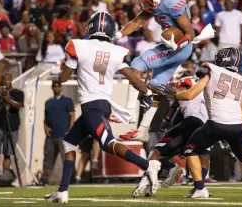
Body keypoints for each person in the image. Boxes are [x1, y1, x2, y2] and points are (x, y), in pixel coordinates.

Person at [44, 11, 160, 204]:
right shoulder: (116, 51)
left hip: (92, 107)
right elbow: (136, 82)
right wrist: (149, 91)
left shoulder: (79, 46)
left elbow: (63, 79)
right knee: (69, 142)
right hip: (102, 105)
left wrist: (65, 65)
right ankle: (63, 191)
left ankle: (148, 165)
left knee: (107, 144)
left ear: (91, 27)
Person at [159, 47, 242, 198]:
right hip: (236, 125)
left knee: (190, 150)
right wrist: (240, 133)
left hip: (216, 123)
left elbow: (190, 94)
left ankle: (199, 189)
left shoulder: (211, 70)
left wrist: (171, 93)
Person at [116, 0, 213, 142]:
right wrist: (117, 34)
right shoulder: (155, 2)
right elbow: (136, 21)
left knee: (137, 63)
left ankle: (129, 113)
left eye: (147, 0)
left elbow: (190, 33)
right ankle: (143, 130)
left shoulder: (172, 0)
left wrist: (177, 45)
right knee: (155, 86)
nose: (145, 4)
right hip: (174, 47)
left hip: (180, 46)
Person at [132, 76, 210, 197]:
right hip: (200, 127)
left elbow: (181, 95)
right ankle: (199, 187)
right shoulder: (203, 93)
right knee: (203, 156)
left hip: (193, 124)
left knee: (156, 151)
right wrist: (168, 118)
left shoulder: (193, 90)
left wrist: (162, 89)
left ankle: (149, 180)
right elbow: (175, 105)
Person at [41, 80, 75, 184]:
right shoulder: (48, 102)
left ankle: (71, 178)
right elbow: (45, 119)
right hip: (51, 136)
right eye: (54, 86)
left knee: (67, 158)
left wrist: (70, 131)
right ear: (52, 88)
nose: (56, 88)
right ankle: (44, 179)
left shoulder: (67, 101)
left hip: (63, 135)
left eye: (58, 86)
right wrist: (46, 127)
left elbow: (72, 116)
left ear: (61, 87)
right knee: (48, 159)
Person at [0, 73, 24, 175]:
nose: (5, 82)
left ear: (11, 80)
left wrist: (7, 99)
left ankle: (6, 176)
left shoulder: (18, 93)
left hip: (12, 126)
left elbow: (18, 106)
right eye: (3, 80)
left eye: (7, 80)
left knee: (8, 153)